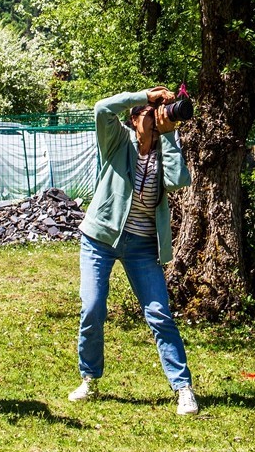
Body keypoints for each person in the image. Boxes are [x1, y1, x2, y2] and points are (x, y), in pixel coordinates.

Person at [69, 87, 199, 415]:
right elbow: (101, 106)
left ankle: (183, 387)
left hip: (142, 247)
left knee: (159, 314)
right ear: (134, 118)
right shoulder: (117, 142)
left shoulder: (164, 147)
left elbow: (178, 180)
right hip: (100, 239)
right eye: (149, 114)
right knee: (93, 307)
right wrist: (140, 95)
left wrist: (169, 137)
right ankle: (89, 378)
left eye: (158, 114)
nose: (156, 120)